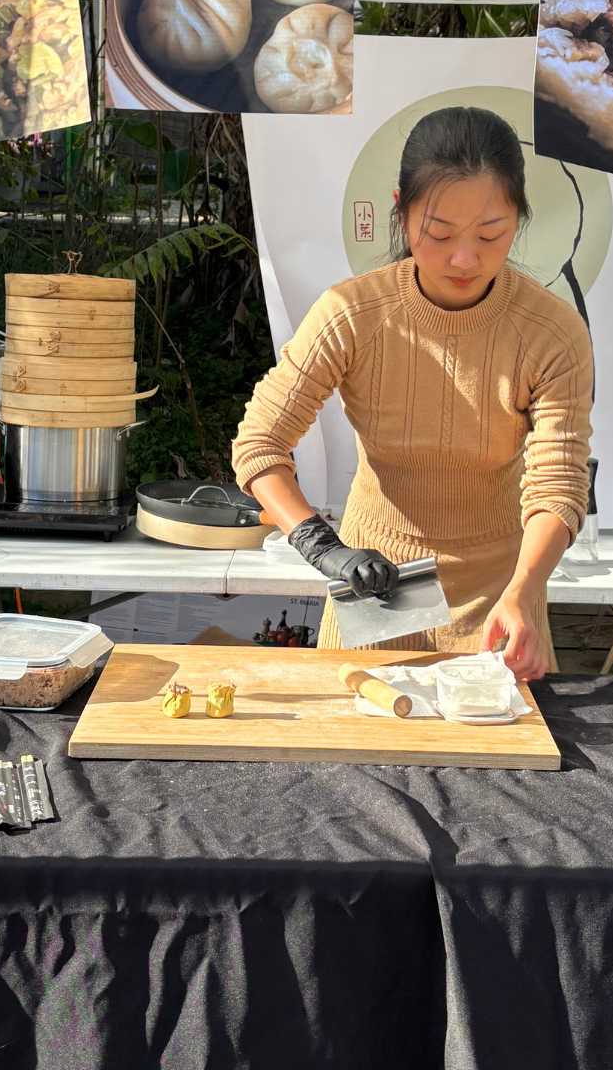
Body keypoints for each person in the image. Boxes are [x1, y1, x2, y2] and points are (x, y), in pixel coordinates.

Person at [231, 105, 593, 679]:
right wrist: (327, 550)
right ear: (400, 215)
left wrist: (524, 590)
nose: (464, 258)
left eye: (491, 233)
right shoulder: (353, 314)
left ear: (520, 219)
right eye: (440, 232)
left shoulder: (551, 332)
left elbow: (557, 486)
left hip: (501, 606)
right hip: (374, 589)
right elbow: (259, 445)